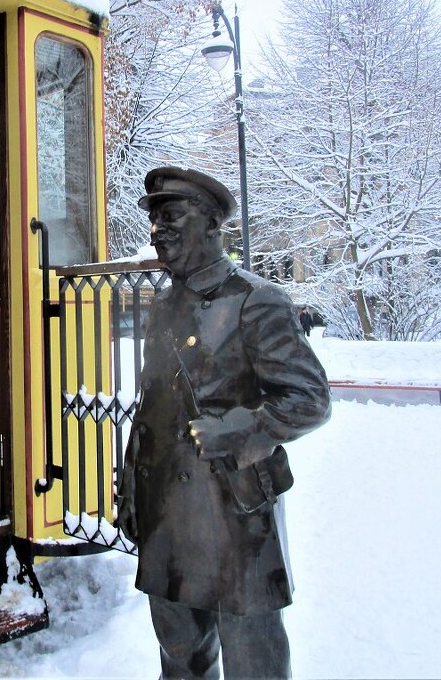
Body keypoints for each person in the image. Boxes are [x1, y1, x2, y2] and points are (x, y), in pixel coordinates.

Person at [116, 166, 331, 680]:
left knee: (253, 658)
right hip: (168, 511)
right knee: (180, 657)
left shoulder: (256, 300)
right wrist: (131, 489)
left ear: (212, 224)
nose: (158, 230)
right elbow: (150, 407)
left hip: (233, 515)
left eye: (171, 216)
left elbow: (310, 398)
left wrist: (241, 431)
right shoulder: (165, 303)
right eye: (154, 220)